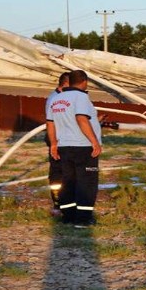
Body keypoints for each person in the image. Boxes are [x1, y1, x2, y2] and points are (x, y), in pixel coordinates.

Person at [47, 70, 102, 228]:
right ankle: (83, 219)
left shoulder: (56, 98)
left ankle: (68, 216)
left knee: (68, 181)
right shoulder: (81, 97)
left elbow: (50, 123)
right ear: (84, 81)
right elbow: (81, 119)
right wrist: (95, 142)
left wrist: (54, 144)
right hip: (83, 146)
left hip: (64, 146)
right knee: (87, 182)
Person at [45, 72, 71, 216]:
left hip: (63, 138)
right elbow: (52, 122)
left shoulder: (59, 97)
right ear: (66, 84)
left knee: (66, 172)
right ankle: (58, 205)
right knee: (58, 173)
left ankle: (64, 203)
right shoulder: (56, 99)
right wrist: (54, 143)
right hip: (57, 139)